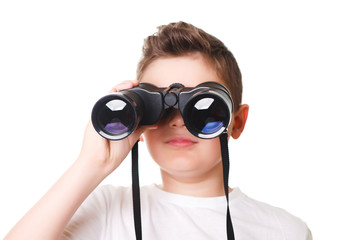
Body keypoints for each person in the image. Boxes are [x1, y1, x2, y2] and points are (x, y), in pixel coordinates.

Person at [5, 21, 312, 240]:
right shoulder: (107, 209)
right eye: (160, 108)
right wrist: (92, 164)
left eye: (201, 107)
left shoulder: (285, 231)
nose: (176, 120)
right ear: (139, 119)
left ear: (237, 121)